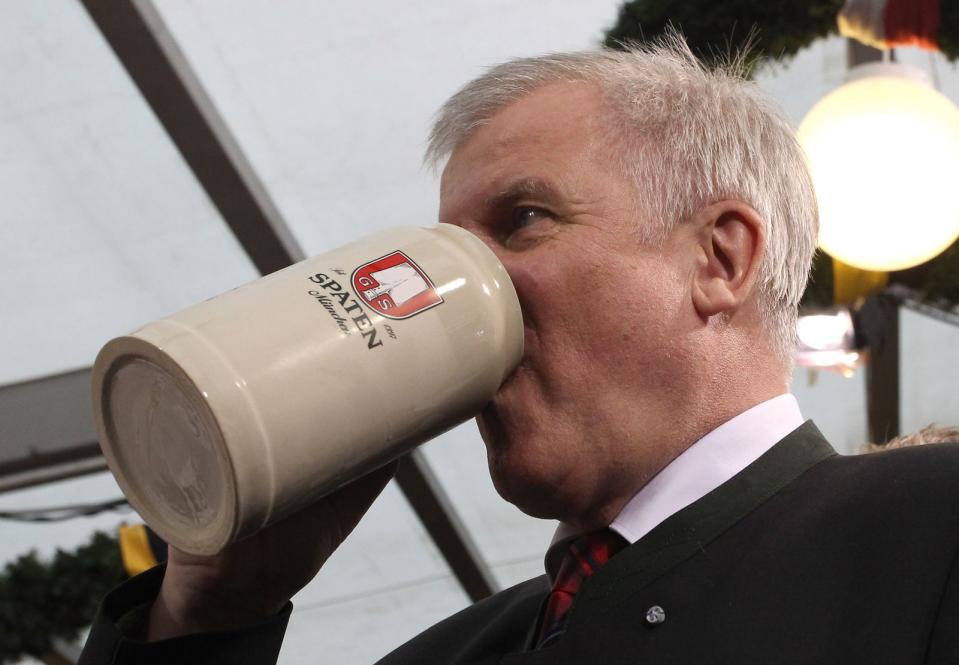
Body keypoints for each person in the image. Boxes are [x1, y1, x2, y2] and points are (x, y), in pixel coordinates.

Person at [78, 37, 959, 664]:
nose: (455, 288)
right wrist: (206, 617)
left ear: (718, 258)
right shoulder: (443, 653)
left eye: (522, 221)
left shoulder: (926, 531)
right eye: (446, 247)